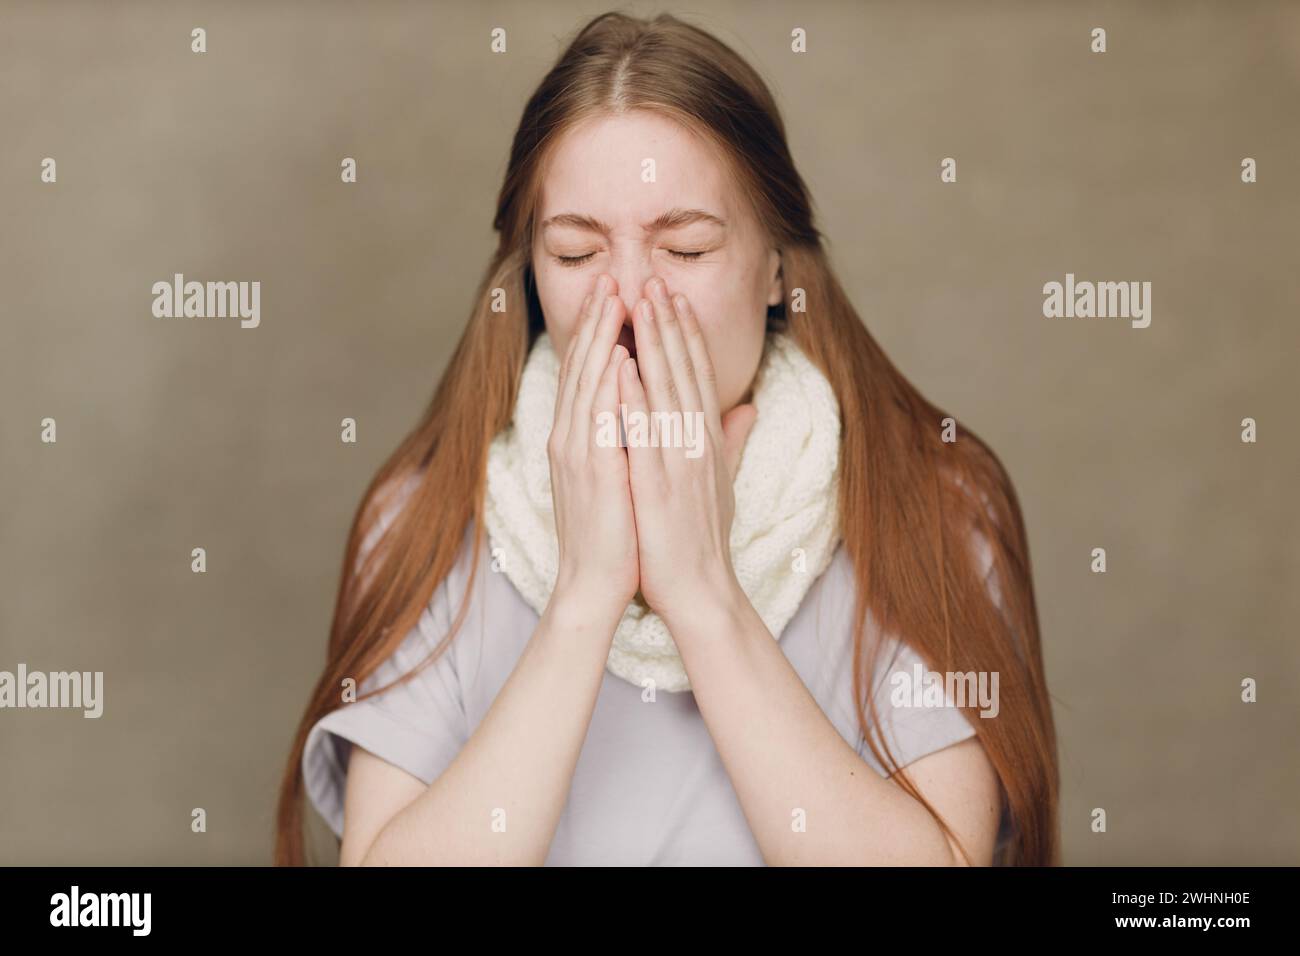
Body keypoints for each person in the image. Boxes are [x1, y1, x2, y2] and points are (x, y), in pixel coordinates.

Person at [275, 11, 1059, 866]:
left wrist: (702, 593)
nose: (629, 303)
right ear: (532, 278)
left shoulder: (933, 503)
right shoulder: (423, 519)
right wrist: (584, 597)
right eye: (576, 255)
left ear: (776, 271)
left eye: (683, 249)